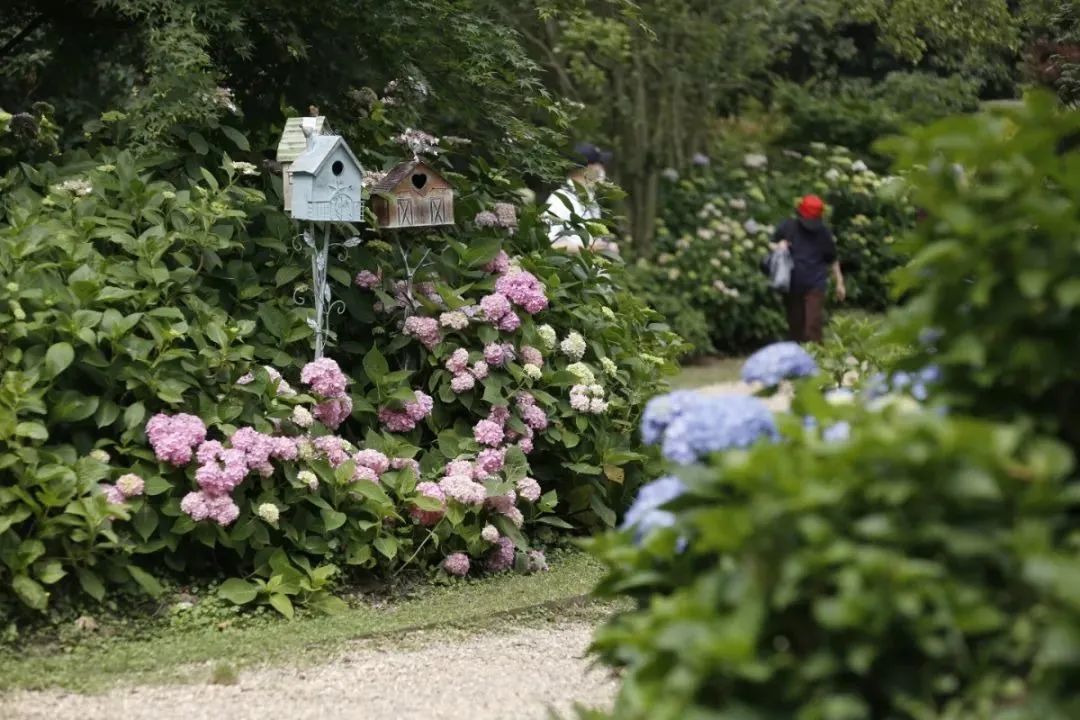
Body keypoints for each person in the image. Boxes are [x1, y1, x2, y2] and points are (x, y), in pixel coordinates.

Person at [772, 194, 845, 343]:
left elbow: (832, 258)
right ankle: (797, 353)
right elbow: (771, 243)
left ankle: (816, 354)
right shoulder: (789, 226)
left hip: (815, 283)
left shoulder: (823, 233)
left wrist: (839, 282)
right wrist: (779, 246)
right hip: (792, 284)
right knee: (796, 325)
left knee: (812, 325)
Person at [544, 143, 619, 254]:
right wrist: (589, 249)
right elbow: (548, 245)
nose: (603, 169)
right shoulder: (559, 200)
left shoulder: (591, 202)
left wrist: (607, 247)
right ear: (588, 169)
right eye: (600, 164)